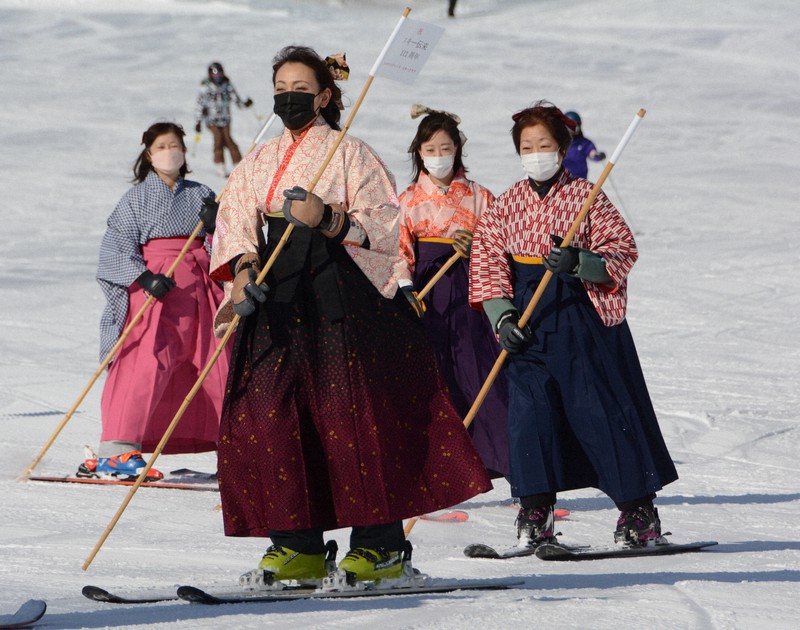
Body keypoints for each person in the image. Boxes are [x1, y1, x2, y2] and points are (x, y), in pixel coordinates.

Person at [209, 45, 491, 586]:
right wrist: (244, 273)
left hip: (341, 297)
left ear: (325, 95)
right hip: (276, 297)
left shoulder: (351, 153)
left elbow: (386, 228)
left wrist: (331, 219)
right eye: (280, 90)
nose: (287, 98)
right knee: (274, 416)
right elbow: (235, 219)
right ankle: (298, 547)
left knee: (354, 420)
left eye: (299, 89)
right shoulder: (261, 158)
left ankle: (380, 547)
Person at [468, 101, 678, 549]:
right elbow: (486, 263)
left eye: (544, 144)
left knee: (598, 410)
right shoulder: (505, 205)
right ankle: (534, 511)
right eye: (527, 146)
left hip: (579, 317)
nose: (535, 153)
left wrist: (580, 262)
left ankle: (638, 513)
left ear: (563, 149)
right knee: (529, 416)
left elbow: (623, 251)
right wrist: (502, 317)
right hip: (527, 318)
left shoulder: (587, 198)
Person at [80, 121, 231, 480]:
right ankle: (118, 449)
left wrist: (214, 226)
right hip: (155, 292)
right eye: (162, 146)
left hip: (200, 289)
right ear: (149, 154)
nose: (170, 152)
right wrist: (143, 276)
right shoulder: (135, 199)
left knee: (217, 363)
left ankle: (236, 448)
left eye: (175, 145)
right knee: (144, 364)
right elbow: (116, 245)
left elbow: (225, 243)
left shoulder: (200, 194)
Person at [397, 105, 509, 479]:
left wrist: (477, 245)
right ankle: (442, 468)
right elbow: (398, 250)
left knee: (480, 370)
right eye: (431, 150)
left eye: (446, 149)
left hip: (472, 291)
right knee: (436, 375)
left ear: (457, 150)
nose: (439, 156)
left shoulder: (481, 196)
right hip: (429, 294)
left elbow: (501, 245)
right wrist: (405, 287)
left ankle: (499, 460)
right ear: (419, 153)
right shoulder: (409, 199)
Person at [195, 62, 254, 178]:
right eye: (215, 75)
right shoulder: (205, 87)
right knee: (218, 139)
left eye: (219, 74)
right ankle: (220, 165)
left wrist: (245, 104)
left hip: (225, 119)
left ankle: (238, 165)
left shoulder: (227, 85)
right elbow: (200, 104)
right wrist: (198, 120)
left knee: (228, 140)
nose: (217, 78)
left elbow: (236, 99)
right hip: (212, 120)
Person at [562, 110, 606, 179]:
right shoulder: (560, 143)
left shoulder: (584, 143)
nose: (572, 131)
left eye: (575, 128)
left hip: (580, 179)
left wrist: (597, 155)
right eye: (569, 128)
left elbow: (591, 152)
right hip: (562, 179)